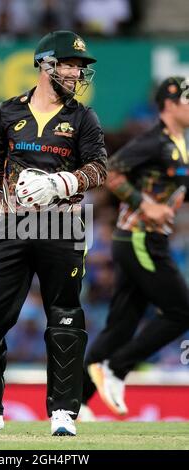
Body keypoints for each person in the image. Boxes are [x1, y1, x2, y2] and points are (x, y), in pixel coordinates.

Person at [0, 30, 107, 436]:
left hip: (62, 223)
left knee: (65, 317)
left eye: (79, 67)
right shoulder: (6, 113)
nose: (76, 72)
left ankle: (64, 413)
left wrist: (61, 184)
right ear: (45, 65)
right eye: (69, 64)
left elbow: (99, 168)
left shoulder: (83, 117)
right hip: (14, 223)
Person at [81, 76, 189, 418]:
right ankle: (117, 367)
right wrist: (146, 205)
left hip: (139, 239)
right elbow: (111, 171)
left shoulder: (177, 141)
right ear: (170, 105)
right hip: (140, 237)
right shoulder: (154, 140)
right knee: (181, 311)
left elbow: (174, 185)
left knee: (121, 326)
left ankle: (72, 405)